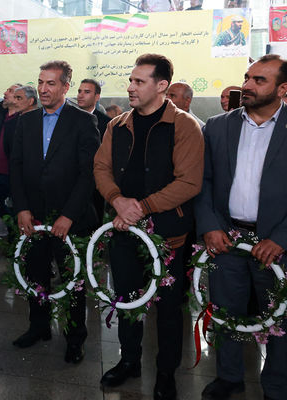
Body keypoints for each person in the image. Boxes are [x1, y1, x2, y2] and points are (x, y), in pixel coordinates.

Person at [94, 54, 204, 400]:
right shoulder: (118, 125)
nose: (130, 87)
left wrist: (139, 207)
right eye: (131, 79)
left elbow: (189, 182)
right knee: (127, 299)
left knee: (169, 307)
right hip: (123, 230)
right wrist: (117, 200)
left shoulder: (184, 125)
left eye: (139, 81)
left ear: (161, 86)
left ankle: (166, 371)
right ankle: (129, 361)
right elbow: (100, 168)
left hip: (168, 235)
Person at [195, 54, 287, 400]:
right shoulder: (218, 126)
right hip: (226, 238)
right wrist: (209, 227)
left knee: (280, 319)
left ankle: (277, 386)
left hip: (275, 246)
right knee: (225, 312)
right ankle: (228, 377)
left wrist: (280, 238)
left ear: (282, 88)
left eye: (259, 80)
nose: (247, 85)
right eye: (247, 77)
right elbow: (201, 182)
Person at [10, 60, 100, 364]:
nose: (43, 89)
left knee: (72, 281)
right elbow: (17, 167)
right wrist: (21, 208)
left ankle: (75, 338)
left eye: (50, 83)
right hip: (32, 217)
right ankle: (38, 327)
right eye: (40, 82)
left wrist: (69, 215)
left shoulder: (83, 121)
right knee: (35, 274)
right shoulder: (26, 121)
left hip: (69, 220)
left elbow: (88, 175)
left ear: (65, 86)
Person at [0, 85, 37, 219]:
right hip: (1, 171)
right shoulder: (0, 114)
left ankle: (18, 233)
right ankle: (14, 229)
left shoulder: (25, 120)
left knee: (21, 206)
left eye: (17, 96)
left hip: (16, 172)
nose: (5, 93)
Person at [0, 83, 22, 150]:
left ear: (19, 98)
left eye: (10, 91)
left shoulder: (23, 118)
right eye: (7, 90)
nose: (5, 93)